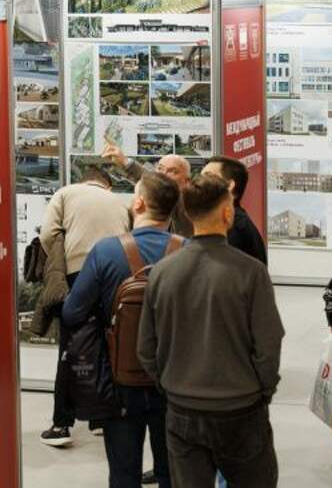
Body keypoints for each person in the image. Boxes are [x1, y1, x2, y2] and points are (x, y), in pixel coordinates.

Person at [138, 174, 284, 487]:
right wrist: (263, 390)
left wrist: (170, 384)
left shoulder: (161, 272)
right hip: (241, 409)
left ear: (187, 214)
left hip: (182, 410)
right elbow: (269, 343)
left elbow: (146, 348)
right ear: (227, 213)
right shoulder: (251, 272)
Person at [61, 172, 181, 488]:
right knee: (174, 473)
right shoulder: (189, 251)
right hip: (176, 382)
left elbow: (72, 313)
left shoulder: (106, 251)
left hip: (120, 380)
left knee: (124, 474)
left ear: (138, 203)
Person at [38, 166, 132, 447]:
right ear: (107, 185)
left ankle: (61, 424)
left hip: (77, 274)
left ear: (84, 181)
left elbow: (47, 234)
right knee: (108, 344)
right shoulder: (120, 202)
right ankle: (100, 418)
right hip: (115, 277)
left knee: (70, 348)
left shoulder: (66, 193)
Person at [103, 145, 195, 238]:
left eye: (173, 171)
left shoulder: (189, 205)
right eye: (160, 168)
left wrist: (125, 162)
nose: (163, 174)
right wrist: (125, 162)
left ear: (187, 181)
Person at [201, 156, 266, 264]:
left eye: (208, 177)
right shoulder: (234, 221)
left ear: (230, 185)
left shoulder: (233, 226)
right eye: (200, 177)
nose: (199, 183)